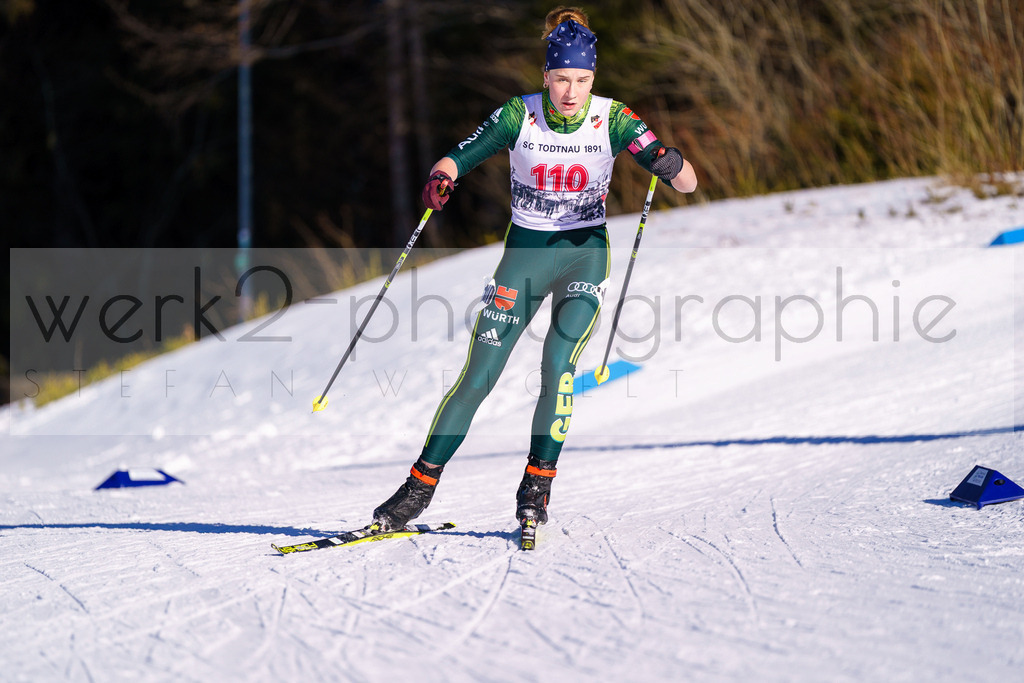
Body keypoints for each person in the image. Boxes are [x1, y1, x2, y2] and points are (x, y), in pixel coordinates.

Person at [371, 6, 697, 534]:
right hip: (524, 256)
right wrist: (440, 179)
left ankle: (536, 486)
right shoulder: (518, 115)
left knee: (557, 365)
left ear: (594, 77)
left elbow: (688, 183)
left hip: (583, 256)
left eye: (583, 79)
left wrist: (667, 161)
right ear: (545, 76)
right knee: (478, 376)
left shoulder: (613, 118)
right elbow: (458, 156)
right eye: (562, 79)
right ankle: (418, 489)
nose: (572, 91)